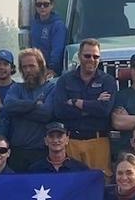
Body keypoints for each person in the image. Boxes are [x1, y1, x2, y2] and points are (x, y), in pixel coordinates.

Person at [49, 38, 116, 177]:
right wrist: (94, 104)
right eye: (87, 56)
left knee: (101, 184)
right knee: (71, 184)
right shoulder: (65, 80)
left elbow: (104, 110)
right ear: (79, 56)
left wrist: (76, 102)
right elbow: (60, 111)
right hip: (72, 141)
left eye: (96, 56)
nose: (91, 59)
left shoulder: (107, 81)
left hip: (99, 142)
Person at [2, 48, 55, 172]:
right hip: (17, 152)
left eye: (32, 66)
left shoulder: (51, 88)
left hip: (41, 151)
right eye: (24, 67)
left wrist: (20, 111)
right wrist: (35, 104)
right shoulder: (16, 88)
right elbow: (9, 105)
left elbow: (46, 113)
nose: (28, 70)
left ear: (41, 66)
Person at [30, 0, 67, 76]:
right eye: (39, 4)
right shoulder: (33, 24)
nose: (42, 7)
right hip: (36, 70)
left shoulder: (58, 25)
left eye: (46, 4)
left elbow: (58, 49)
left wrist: (52, 69)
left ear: (52, 5)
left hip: (51, 72)